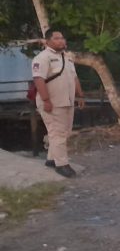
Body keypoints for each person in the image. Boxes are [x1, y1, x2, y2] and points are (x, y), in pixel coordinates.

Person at [31, 28, 85, 178]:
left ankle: (51, 159)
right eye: (57, 38)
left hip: (67, 101)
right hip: (52, 103)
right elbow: (38, 80)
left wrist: (80, 96)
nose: (61, 40)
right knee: (58, 133)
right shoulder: (42, 58)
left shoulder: (67, 57)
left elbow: (74, 78)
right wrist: (46, 100)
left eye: (62, 38)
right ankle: (62, 165)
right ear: (47, 41)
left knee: (63, 132)